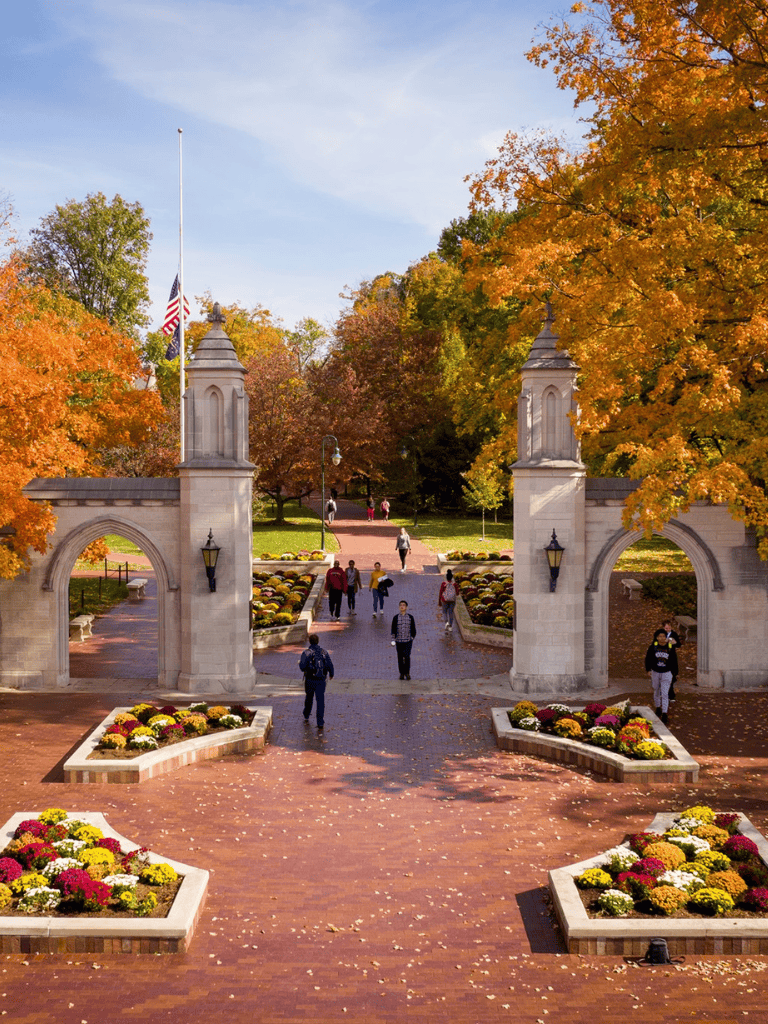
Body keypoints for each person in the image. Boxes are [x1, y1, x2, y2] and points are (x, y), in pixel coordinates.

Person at [299, 633, 334, 729]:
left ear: (309, 641)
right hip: (321, 680)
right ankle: (320, 722)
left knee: (309, 698)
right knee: (320, 700)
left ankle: (306, 714)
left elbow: (302, 666)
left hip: (310, 679)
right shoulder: (324, 652)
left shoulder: (306, 653)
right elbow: (330, 664)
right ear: (318, 641)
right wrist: (331, 674)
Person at [644, 628, 679, 725]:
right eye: (660, 636)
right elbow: (648, 658)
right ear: (656, 637)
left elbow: (674, 660)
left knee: (664, 693)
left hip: (666, 672)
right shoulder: (653, 647)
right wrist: (648, 669)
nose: (662, 638)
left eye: (663, 636)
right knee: (656, 690)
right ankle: (658, 707)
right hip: (655, 672)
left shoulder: (670, 647)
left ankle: (664, 713)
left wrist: (675, 672)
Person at [391, 599, 417, 680]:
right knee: (400, 657)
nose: (402, 607)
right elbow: (393, 629)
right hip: (399, 641)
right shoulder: (396, 617)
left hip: (408, 641)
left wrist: (412, 638)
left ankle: (407, 673)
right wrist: (393, 639)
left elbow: (413, 629)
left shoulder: (410, 617)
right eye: (401, 605)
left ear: (406, 607)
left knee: (407, 656)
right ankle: (401, 673)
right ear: (399, 607)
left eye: (404, 605)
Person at [662, 618, 682, 702]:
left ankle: (670, 695)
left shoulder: (674, 634)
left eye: (669, 628)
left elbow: (679, 644)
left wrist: (674, 643)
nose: (668, 629)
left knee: (671, 676)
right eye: (666, 628)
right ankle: (666, 694)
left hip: (672, 657)